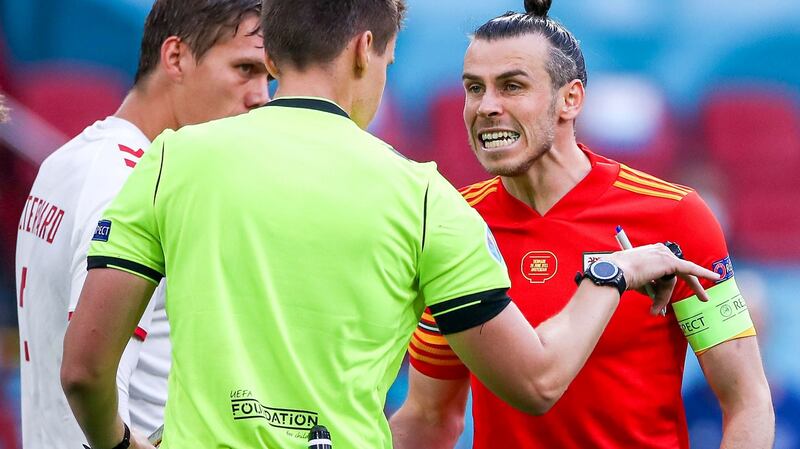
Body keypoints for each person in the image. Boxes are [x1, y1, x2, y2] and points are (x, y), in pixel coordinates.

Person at [60, 1, 717, 448]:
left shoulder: (174, 158)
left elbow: (85, 370)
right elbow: (537, 381)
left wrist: (118, 442)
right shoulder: (425, 199)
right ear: (363, 49)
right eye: (390, 62)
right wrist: (613, 270)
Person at [390, 1, 775, 448]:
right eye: (474, 89)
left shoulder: (676, 216)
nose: (486, 106)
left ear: (570, 99)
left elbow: (746, 400)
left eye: (512, 86)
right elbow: (431, 416)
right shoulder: (452, 224)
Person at [15, 1, 269, 447]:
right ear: (176, 58)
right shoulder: (132, 186)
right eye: (245, 68)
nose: (261, 96)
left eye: (268, 76)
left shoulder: (68, 161)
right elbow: (90, 376)